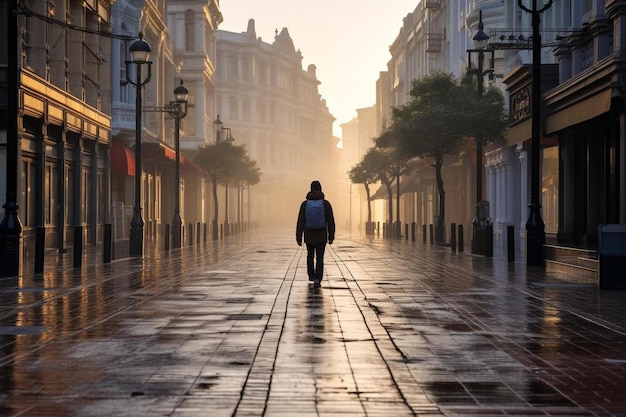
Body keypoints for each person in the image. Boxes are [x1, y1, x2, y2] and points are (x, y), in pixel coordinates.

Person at [296, 180, 335, 287]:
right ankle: (318, 278)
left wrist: (299, 237)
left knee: (310, 255)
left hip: (309, 235)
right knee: (320, 257)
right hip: (321, 235)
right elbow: (330, 221)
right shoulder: (325, 204)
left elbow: (300, 221)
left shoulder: (305, 204)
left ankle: (311, 275)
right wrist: (331, 236)